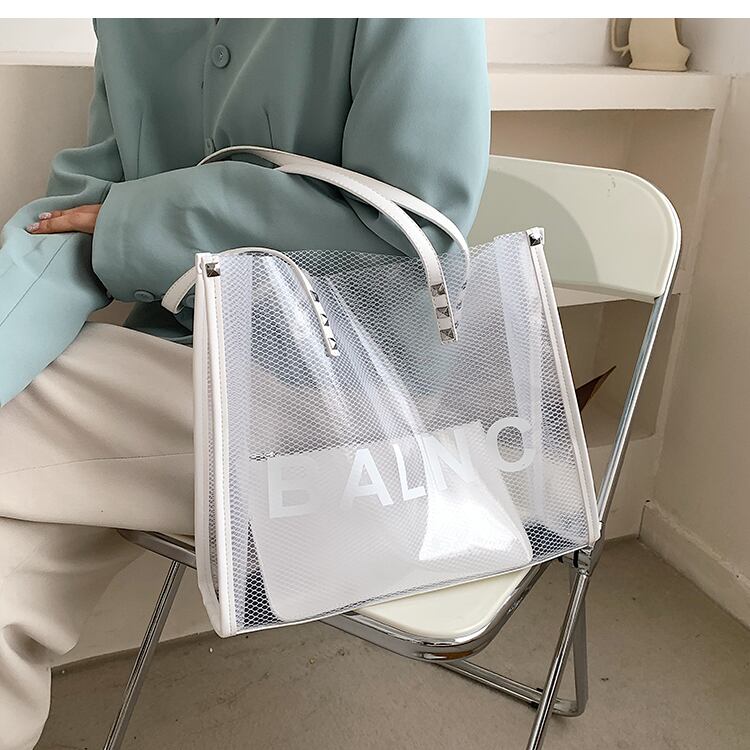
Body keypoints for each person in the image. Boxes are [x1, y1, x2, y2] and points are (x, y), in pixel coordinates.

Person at [0, 18, 489, 749]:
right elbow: (75, 218)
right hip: (173, 373)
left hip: (347, 389)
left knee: (27, 399)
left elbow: (411, 235)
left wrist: (141, 219)